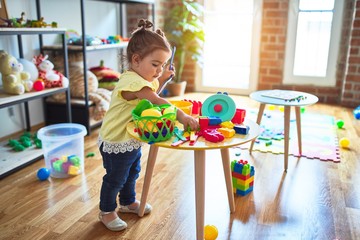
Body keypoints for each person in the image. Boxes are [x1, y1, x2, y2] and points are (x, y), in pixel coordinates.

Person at [97, 19, 199, 231]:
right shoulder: (130, 81)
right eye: (156, 64)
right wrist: (181, 116)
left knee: (132, 172)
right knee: (115, 178)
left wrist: (163, 81)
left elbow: (151, 96)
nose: (160, 70)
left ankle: (126, 202)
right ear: (136, 60)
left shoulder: (142, 78)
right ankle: (106, 211)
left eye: (163, 65)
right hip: (116, 139)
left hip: (132, 137)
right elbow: (156, 101)